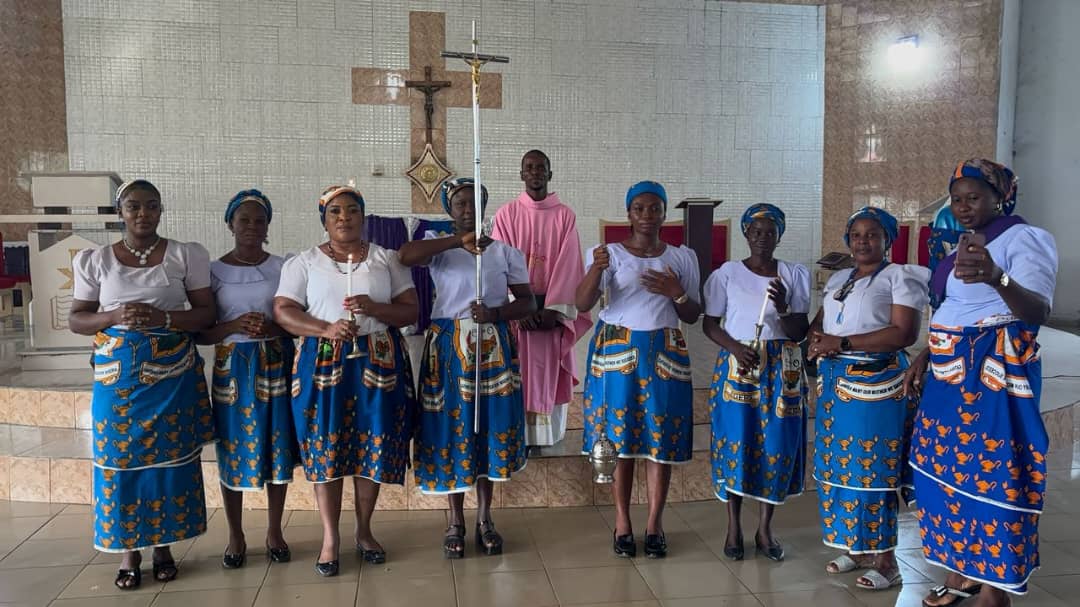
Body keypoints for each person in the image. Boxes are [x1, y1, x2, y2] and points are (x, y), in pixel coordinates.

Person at [904, 159, 1057, 607]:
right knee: (945, 476)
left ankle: (995, 589)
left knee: (995, 476)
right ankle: (963, 573)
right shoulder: (966, 246)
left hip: (991, 379)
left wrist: (998, 276)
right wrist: (926, 354)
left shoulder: (1023, 239)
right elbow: (957, 309)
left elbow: (1037, 312)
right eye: (957, 199)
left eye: (974, 197)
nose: (964, 206)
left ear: (1001, 196)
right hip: (949, 377)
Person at [68, 179, 216, 589]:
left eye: (151, 206)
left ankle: (164, 548)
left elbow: (206, 314)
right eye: (134, 207)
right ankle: (128, 552)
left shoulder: (184, 255)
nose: (142, 214)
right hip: (117, 382)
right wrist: (112, 317)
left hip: (171, 375)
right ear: (121, 212)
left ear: (161, 210)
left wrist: (162, 320)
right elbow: (78, 318)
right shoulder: (96, 260)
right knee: (121, 462)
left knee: (168, 462)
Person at [273, 185, 418, 577]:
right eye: (335, 211)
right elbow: (284, 312)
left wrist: (375, 308)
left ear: (363, 216)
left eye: (352, 210)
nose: (344, 217)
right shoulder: (302, 263)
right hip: (323, 362)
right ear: (324, 219)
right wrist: (325, 327)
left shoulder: (386, 260)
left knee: (371, 446)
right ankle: (330, 538)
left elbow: (410, 310)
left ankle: (365, 531)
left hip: (378, 359)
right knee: (327, 448)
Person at [398, 178, 536, 559]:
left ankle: (485, 519)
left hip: (492, 345)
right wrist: (454, 241)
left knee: (485, 427)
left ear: (484, 206)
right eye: (459, 202)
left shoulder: (505, 252)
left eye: (473, 201)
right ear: (449, 208)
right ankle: (455, 519)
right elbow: (405, 255)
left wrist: (496, 312)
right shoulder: (440, 250)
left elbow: (528, 303)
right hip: (448, 348)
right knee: (451, 427)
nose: (466, 208)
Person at [576, 180, 701, 559]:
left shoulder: (682, 257)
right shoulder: (607, 253)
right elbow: (583, 303)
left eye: (655, 208)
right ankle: (622, 523)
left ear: (665, 213)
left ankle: (654, 525)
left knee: (659, 444)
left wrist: (675, 291)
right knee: (619, 441)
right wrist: (597, 271)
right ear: (628, 213)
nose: (647, 216)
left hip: (664, 352)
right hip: (617, 353)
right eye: (639, 209)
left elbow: (693, 314)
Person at [808, 206, 929, 591]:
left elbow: (903, 334)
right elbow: (822, 324)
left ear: (887, 239)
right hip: (836, 383)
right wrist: (814, 343)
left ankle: (887, 561)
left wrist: (840, 342)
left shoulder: (899, 276)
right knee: (840, 466)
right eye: (856, 234)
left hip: (877, 384)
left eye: (872, 234)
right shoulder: (840, 277)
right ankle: (856, 547)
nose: (863, 241)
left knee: (874, 469)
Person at [703, 203, 810, 562]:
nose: (763, 238)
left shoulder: (794, 274)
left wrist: (782, 307)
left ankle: (765, 528)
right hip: (740, 364)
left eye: (770, 232)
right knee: (737, 440)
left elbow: (800, 332)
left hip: (783, 368)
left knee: (776, 444)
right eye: (756, 231)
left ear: (780, 235)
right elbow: (710, 324)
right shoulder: (727, 274)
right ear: (746, 234)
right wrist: (734, 347)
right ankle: (733, 525)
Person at [198, 189, 296, 568]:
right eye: (244, 220)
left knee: (276, 445)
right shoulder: (214, 271)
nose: (252, 227)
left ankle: (274, 530)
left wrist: (272, 325)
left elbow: (294, 325)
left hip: (276, 361)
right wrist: (233, 326)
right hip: (233, 367)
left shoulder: (282, 267)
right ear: (230, 224)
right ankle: (236, 533)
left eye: (260, 220)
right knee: (233, 447)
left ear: (268, 225)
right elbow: (202, 333)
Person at [492, 150, 592, 447]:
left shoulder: (564, 215)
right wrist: (517, 308)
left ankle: (548, 436)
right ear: (521, 174)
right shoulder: (506, 214)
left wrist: (555, 310)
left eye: (541, 168)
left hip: (550, 314)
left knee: (548, 371)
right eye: (529, 167)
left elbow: (569, 263)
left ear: (550, 174)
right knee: (517, 371)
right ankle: (517, 434)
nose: (535, 172)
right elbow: (498, 264)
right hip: (519, 314)